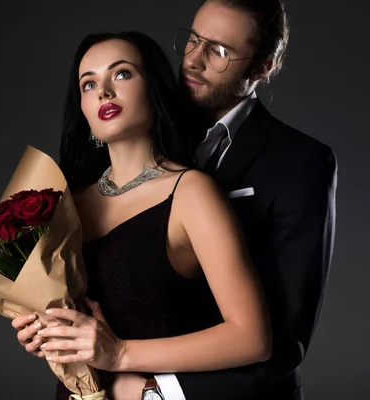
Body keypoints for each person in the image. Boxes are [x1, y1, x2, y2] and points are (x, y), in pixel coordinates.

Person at [12, 30, 274, 400]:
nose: (103, 91)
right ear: (82, 108)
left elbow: (252, 338)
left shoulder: (192, 193)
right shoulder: (67, 202)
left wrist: (118, 353)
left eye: (121, 74)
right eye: (89, 84)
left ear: (154, 87)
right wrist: (45, 330)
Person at [103, 1, 338, 399]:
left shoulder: (301, 163)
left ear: (262, 67)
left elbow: (287, 338)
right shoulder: (142, 128)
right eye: (193, 39)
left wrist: (155, 392)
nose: (193, 60)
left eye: (218, 51)